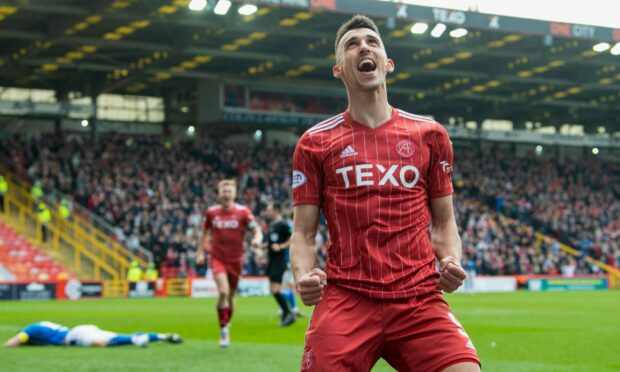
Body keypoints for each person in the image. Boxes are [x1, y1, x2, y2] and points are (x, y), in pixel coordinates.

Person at [290, 15, 480, 372]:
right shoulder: (315, 143)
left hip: (418, 298)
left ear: (387, 64)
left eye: (372, 42)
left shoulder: (430, 135)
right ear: (339, 70)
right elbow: (302, 232)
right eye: (352, 44)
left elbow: (444, 222)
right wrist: (303, 274)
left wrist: (451, 260)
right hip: (346, 297)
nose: (364, 47)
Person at [197, 179, 262, 348]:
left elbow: (256, 229)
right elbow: (204, 233)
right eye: (224, 191)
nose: (226, 194)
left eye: (229, 191)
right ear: (219, 194)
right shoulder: (211, 213)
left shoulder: (243, 212)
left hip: (236, 260)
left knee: (231, 297)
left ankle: (226, 321)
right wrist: (200, 253)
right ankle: (224, 329)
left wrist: (256, 239)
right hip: (217, 258)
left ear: (234, 193)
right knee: (224, 292)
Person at [4, 320, 182, 347]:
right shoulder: (41, 325)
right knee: (115, 336)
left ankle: (136, 340)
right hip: (82, 329)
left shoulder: (30, 329)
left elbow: (17, 340)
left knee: (104, 343)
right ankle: (161, 335)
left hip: (74, 335)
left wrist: (4, 346)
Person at [263, 202, 296, 327]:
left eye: (269, 209)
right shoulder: (272, 225)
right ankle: (287, 314)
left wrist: (281, 246)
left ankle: (288, 314)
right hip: (272, 260)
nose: (267, 211)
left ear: (276, 210)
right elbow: (271, 242)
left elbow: (293, 236)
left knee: (275, 289)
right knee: (273, 289)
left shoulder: (283, 224)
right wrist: (262, 245)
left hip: (279, 260)